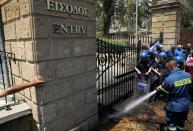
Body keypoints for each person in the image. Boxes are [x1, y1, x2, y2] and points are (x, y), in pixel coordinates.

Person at [157, 59, 193, 131]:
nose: (168, 70)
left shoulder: (169, 79)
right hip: (185, 105)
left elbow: (165, 92)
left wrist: (159, 89)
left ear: (171, 67)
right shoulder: (188, 75)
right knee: (181, 124)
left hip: (174, 107)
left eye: (168, 68)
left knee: (171, 125)